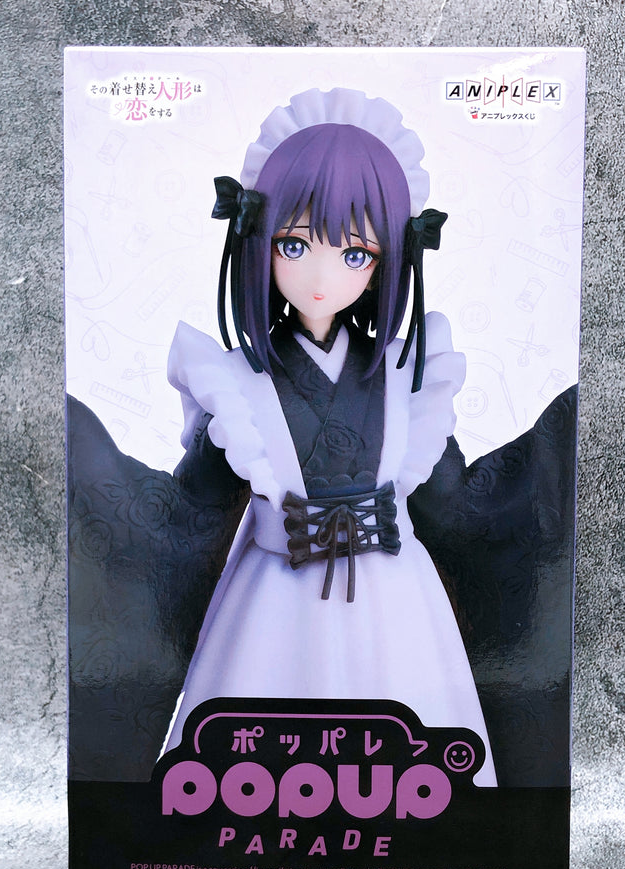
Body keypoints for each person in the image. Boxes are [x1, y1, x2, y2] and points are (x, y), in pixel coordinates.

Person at [160, 88, 498, 785]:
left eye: (354, 253)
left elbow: (456, 501)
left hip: (393, 595)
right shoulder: (235, 382)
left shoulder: (408, 375)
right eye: (294, 244)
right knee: (259, 766)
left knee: (405, 758)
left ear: (388, 258)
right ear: (258, 240)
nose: (320, 276)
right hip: (275, 596)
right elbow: (189, 511)